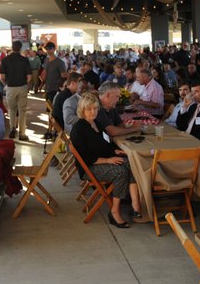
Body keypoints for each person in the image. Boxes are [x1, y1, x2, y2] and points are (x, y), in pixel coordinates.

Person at [70, 92, 142, 228]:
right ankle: (114, 212)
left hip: (100, 159)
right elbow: (86, 157)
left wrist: (114, 151)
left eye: (95, 108)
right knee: (121, 172)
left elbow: (105, 142)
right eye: (89, 109)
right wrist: (108, 160)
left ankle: (135, 205)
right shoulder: (79, 128)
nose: (93, 112)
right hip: (89, 167)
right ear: (82, 110)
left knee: (129, 162)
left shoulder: (96, 123)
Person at [0, 40, 32, 141]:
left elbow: (2, 76)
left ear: (12, 48)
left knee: (12, 109)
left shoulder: (5, 60)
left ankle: (12, 128)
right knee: (22, 110)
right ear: (20, 48)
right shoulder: (25, 60)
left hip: (11, 87)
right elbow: (29, 77)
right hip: (22, 87)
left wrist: (6, 84)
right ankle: (22, 133)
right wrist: (25, 84)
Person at [43, 42, 67, 106]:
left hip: (55, 89)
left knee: (54, 109)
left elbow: (64, 76)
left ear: (54, 49)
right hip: (47, 88)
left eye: (50, 48)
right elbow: (46, 73)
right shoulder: (46, 60)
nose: (48, 50)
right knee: (48, 108)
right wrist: (43, 84)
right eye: (47, 49)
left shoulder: (60, 62)